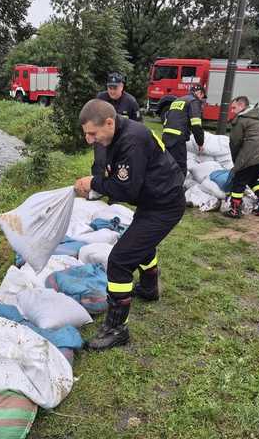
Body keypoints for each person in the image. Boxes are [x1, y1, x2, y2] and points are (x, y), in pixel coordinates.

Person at [74, 99, 185, 350]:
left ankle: (117, 328)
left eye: (92, 133)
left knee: (120, 261)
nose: (89, 140)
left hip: (165, 205)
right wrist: (96, 182)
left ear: (110, 123)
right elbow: (111, 174)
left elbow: (125, 189)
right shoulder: (115, 135)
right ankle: (148, 288)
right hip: (153, 200)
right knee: (141, 244)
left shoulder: (132, 140)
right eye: (86, 134)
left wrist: (94, 184)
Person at [224, 96, 259, 219]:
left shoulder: (242, 119)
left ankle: (235, 209)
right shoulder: (258, 116)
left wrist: (237, 164)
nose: (232, 111)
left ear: (242, 106)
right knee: (252, 179)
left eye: (234, 108)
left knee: (239, 180)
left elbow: (235, 142)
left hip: (254, 155)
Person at [92, 72, 141, 177]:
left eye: (115, 88)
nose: (112, 90)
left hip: (122, 140)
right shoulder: (101, 98)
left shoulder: (131, 101)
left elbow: (138, 125)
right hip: (103, 137)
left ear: (122, 86)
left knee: (120, 165)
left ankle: (116, 184)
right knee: (99, 161)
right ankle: (96, 185)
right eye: (110, 87)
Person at [161, 84, 206, 176]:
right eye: (202, 97)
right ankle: (178, 189)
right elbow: (196, 124)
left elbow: (168, 118)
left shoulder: (177, 100)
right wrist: (200, 143)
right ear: (200, 93)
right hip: (177, 138)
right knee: (180, 167)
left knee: (167, 164)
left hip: (166, 136)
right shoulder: (194, 101)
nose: (202, 100)